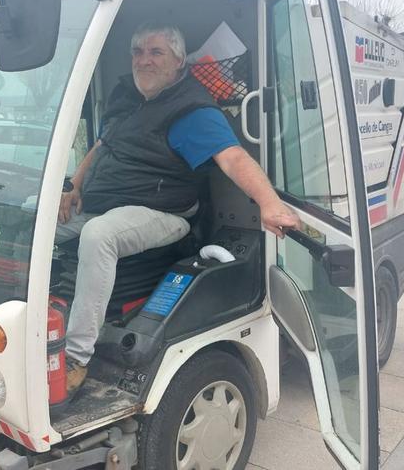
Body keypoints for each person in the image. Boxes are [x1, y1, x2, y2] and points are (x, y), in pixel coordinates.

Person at [55, 22, 301, 396]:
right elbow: (101, 145)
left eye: (156, 53)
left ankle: (76, 358)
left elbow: (233, 158)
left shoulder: (190, 110)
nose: (144, 61)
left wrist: (269, 203)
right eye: (138, 52)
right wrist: (73, 186)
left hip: (163, 215)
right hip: (104, 205)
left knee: (98, 236)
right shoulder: (125, 98)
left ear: (178, 60)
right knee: (36, 225)